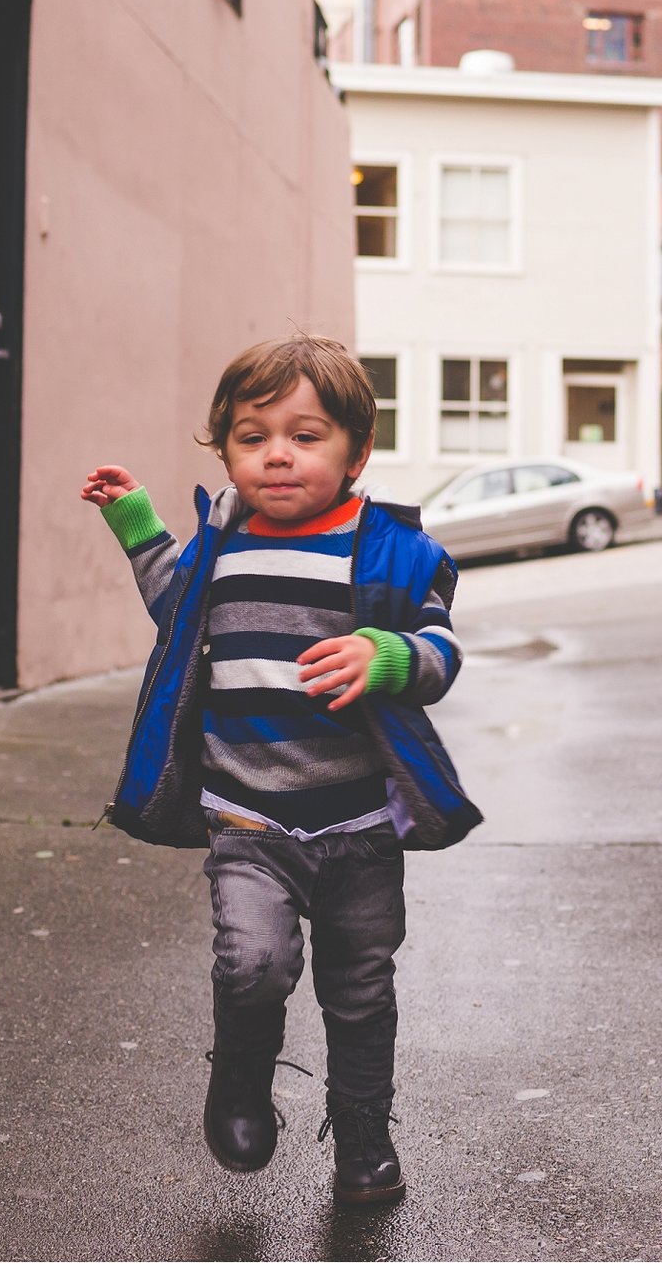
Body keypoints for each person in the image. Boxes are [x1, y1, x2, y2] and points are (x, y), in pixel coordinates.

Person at [85, 335, 476, 1207]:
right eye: (253, 436)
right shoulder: (222, 545)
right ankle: (242, 1081)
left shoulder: (391, 553)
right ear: (223, 449)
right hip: (249, 821)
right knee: (252, 963)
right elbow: (173, 605)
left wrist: (389, 654)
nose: (279, 454)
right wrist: (139, 525)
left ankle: (365, 1139)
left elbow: (442, 653)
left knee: (361, 989)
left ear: (356, 451)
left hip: (361, 827)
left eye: (305, 435)